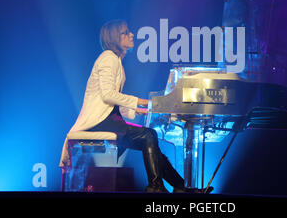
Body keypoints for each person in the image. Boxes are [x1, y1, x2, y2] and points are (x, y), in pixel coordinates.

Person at [65, 19, 210, 193]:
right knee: (149, 136)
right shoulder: (108, 59)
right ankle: (157, 186)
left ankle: (179, 186)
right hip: (99, 120)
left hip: (108, 118)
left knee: (150, 140)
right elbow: (107, 95)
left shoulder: (115, 60)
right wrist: (143, 102)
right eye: (126, 32)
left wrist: (140, 110)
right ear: (114, 38)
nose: (131, 34)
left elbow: (113, 101)